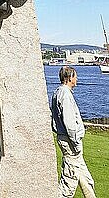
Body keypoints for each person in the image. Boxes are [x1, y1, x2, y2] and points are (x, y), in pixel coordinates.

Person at [51, 66, 96, 198]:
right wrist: (75, 141)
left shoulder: (57, 92)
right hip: (70, 141)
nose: (77, 79)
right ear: (69, 78)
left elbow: (53, 119)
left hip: (66, 139)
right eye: (75, 76)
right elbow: (69, 122)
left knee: (85, 178)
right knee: (69, 181)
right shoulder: (64, 94)